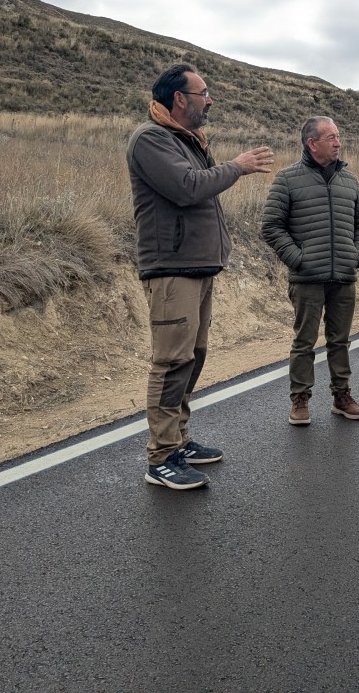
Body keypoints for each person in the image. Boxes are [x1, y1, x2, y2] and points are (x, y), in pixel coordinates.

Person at [127, 63, 275, 490]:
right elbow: (188, 187)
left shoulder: (185, 140)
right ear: (180, 99)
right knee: (171, 361)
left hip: (197, 267)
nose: (209, 100)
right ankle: (160, 458)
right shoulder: (151, 138)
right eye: (203, 93)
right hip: (171, 269)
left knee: (193, 357)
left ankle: (178, 440)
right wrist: (237, 167)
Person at [262, 116, 359, 426]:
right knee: (304, 341)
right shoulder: (287, 179)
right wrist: (297, 259)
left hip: (343, 276)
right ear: (312, 143)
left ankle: (342, 396)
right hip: (307, 278)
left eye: (339, 137)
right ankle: (300, 399)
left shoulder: (349, 180)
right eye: (331, 137)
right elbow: (271, 226)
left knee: (340, 341)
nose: (338, 143)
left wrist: (358, 254)